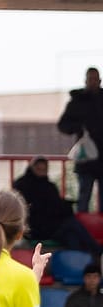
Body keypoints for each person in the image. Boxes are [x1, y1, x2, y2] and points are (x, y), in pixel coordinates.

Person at [13, 156, 99, 256]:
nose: (41, 172)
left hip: (50, 226)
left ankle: (85, 261)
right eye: (38, 169)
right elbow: (43, 208)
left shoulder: (48, 186)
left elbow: (53, 206)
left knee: (71, 237)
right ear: (32, 169)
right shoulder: (24, 186)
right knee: (72, 224)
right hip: (36, 228)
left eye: (44, 169)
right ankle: (97, 251)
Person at [58, 67, 103, 213]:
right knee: (84, 196)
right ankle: (83, 230)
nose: (93, 82)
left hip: (96, 158)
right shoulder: (77, 101)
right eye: (91, 79)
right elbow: (63, 125)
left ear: (100, 81)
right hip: (86, 159)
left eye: (95, 79)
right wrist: (79, 128)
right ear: (86, 81)